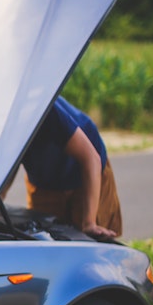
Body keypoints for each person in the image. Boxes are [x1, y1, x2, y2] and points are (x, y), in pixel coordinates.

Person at [19, 96, 123, 240]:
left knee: (90, 240)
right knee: (43, 239)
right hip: (44, 180)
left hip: (87, 172)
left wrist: (89, 222)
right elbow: (6, 165)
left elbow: (91, 159)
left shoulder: (44, 109)